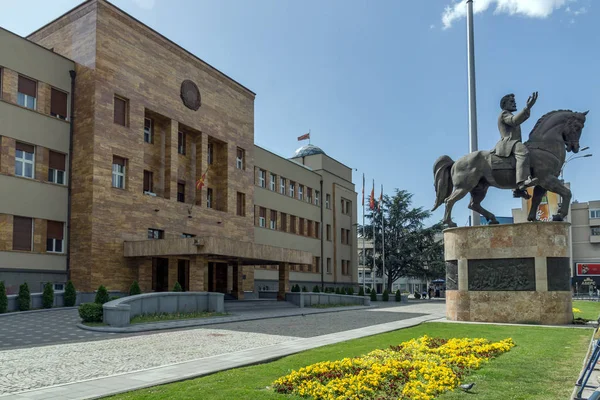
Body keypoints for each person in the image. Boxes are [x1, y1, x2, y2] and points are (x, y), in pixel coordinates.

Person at [493, 92, 539, 199]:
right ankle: (523, 182)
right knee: (523, 152)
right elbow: (514, 121)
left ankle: (517, 190)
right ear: (504, 104)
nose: (514, 103)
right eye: (511, 102)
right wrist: (527, 107)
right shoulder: (504, 114)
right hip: (508, 143)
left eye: (514, 101)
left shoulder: (508, 113)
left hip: (513, 142)